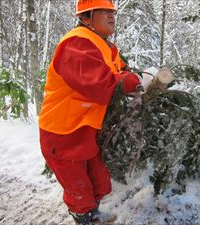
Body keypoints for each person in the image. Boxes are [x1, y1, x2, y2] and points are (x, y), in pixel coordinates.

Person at [38, 0, 141, 224]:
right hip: (63, 131)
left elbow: (119, 70)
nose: (112, 15)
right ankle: (83, 215)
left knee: (99, 182)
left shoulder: (104, 46)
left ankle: (91, 210)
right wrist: (128, 82)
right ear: (86, 17)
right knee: (78, 186)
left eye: (112, 11)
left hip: (85, 127)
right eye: (104, 11)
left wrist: (133, 77)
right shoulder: (76, 43)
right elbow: (99, 84)